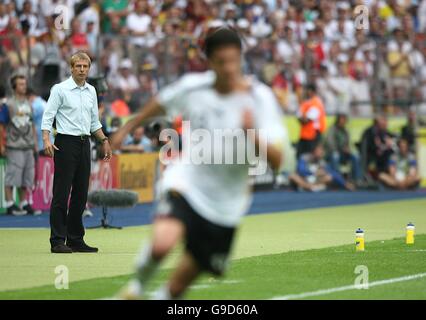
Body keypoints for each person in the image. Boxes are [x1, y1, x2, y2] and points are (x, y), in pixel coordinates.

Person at [110, 28, 287, 300]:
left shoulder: (259, 98)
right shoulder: (193, 87)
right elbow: (160, 103)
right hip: (187, 182)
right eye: (221, 61)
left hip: (226, 205)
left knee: (178, 288)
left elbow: (278, 161)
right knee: (162, 244)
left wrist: (253, 135)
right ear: (209, 61)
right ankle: (135, 289)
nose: (228, 68)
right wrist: (126, 128)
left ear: (241, 58)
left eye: (233, 60)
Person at [41, 51, 112, 254]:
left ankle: (75, 238)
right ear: (71, 68)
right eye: (78, 66)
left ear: (89, 69)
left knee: (81, 194)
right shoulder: (60, 89)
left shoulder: (91, 91)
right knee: (62, 193)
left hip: (84, 142)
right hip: (65, 142)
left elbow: (93, 122)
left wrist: (104, 140)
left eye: (85, 66)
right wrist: (47, 139)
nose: (82, 69)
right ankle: (57, 240)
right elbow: (48, 117)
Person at [0, 75, 38, 216]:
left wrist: (34, 143)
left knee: (27, 175)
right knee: (12, 174)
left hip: (28, 144)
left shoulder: (29, 104)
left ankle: (23, 203)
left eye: (25, 83)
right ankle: (10, 203)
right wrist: (2, 144)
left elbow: (32, 124)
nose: (24, 86)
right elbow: (2, 126)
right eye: (21, 84)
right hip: (14, 145)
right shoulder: (8, 104)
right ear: (15, 87)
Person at [291, 144, 355, 192]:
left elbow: (332, 173)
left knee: (329, 177)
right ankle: (308, 187)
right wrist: (314, 173)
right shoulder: (304, 157)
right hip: (304, 179)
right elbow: (301, 170)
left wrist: (345, 183)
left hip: (315, 181)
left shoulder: (321, 161)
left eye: (322, 151)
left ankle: (310, 187)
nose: (321, 153)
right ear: (314, 151)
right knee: (292, 176)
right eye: (319, 151)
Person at [324, 113, 361, 183]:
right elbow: (330, 144)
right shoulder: (332, 129)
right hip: (331, 153)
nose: (344, 121)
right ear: (338, 120)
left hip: (343, 154)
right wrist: (341, 149)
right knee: (335, 156)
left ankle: (356, 179)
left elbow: (347, 144)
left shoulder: (346, 131)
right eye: (342, 119)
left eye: (345, 119)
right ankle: (337, 179)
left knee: (355, 156)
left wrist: (348, 149)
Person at [296, 83, 326, 158]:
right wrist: (302, 119)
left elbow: (306, 120)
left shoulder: (316, 103)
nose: (305, 92)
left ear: (311, 91)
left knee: (311, 158)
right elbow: (299, 116)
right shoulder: (306, 102)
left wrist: (302, 118)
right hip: (304, 135)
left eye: (306, 90)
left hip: (313, 136)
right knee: (299, 157)